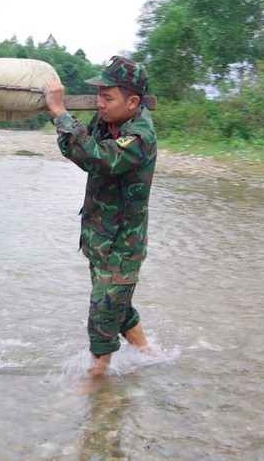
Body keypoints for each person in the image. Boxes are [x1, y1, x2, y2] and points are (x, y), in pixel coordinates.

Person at [43, 55, 157, 376]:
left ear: (133, 101)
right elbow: (75, 149)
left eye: (107, 97)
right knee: (117, 311)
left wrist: (60, 113)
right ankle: (150, 357)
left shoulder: (138, 135)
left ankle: (95, 387)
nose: (100, 103)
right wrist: (61, 117)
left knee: (102, 319)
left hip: (121, 247)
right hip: (100, 239)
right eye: (98, 96)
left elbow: (98, 158)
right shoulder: (107, 121)